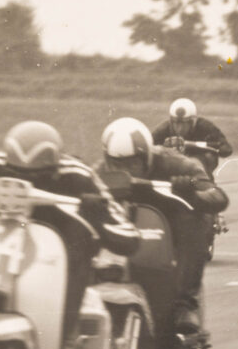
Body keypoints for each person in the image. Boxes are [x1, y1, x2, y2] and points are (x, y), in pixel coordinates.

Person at [0, 121, 140, 349]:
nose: (27, 181)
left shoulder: (79, 174)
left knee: (81, 241)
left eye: (38, 176)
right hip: (0, 244)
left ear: (54, 167)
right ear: (7, 163)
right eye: (16, 173)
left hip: (56, 252)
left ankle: (63, 342)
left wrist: (96, 213)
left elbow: (127, 233)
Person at [96, 117, 229, 336]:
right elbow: (80, 187)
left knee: (198, 220)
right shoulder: (101, 171)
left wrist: (190, 190)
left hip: (169, 222)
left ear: (147, 157)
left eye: (133, 164)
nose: (126, 171)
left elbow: (215, 194)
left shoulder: (173, 162)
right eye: (117, 164)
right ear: (108, 159)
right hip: (124, 221)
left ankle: (187, 303)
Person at [150, 98, 233, 178]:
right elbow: (147, 146)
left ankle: (205, 181)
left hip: (200, 163)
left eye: (184, 124)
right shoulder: (164, 128)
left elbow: (227, 149)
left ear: (193, 122)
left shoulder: (205, 126)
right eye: (176, 123)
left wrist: (191, 144)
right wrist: (162, 149)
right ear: (171, 122)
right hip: (172, 164)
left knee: (209, 156)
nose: (180, 128)